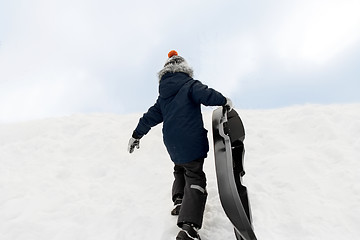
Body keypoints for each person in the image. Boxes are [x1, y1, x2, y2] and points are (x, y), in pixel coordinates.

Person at [128, 50, 233, 240]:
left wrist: (136, 135)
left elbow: (149, 117)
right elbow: (207, 95)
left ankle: (179, 200)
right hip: (190, 139)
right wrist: (224, 100)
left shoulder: (163, 97)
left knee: (180, 168)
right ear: (184, 69)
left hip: (172, 143)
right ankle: (189, 227)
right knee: (195, 176)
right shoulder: (189, 85)